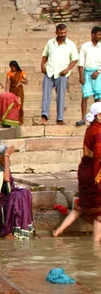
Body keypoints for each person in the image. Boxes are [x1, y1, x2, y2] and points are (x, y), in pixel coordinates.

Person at [53, 102, 101, 240]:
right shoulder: (98, 131)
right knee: (99, 213)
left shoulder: (91, 128)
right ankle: (96, 247)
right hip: (94, 173)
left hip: (84, 171)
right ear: (99, 115)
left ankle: (58, 231)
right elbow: (99, 154)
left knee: (81, 206)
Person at [0, 143, 34, 239]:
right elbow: (6, 178)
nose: (8, 159)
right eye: (5, 157)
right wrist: (6, 157)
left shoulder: (1, 163)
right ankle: (8, 230)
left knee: (25, 192)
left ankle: (19, 228)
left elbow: (9, 186)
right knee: (17, 197)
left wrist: (6, 158)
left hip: (6, 195)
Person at [35, 24, 79, 126]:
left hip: (62, 73)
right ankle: (44, 117)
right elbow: (45, 55)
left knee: (61, 96)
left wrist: (67, 69)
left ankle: (60, 119)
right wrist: (42, 65)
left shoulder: (71, 44)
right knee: (46, 95)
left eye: (64, 33)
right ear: (56, 32)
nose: (63, 35)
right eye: (61, 33)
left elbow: (75, 59)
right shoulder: (50, 43)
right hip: (49, 72)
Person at [75, 26, 101, 127]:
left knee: (98, 97)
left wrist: (98, 72)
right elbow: (81, 63)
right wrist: (81, 76)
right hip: (87, 72)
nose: (100, 36)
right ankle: (83, 118)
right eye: (99, 34)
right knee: (85, 96)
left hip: (98, 73)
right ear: (93, 34)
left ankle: (97, 118)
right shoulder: (85, 46)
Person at [5, 60, 28, 125]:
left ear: (16, 66)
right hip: (12, 90)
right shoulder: (9, 73)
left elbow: (26, 81)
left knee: (20, 104)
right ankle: (13, 120)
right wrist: (6, 92)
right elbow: (7, 83)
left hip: (19, 90)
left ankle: (20, 120)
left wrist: (21, 81)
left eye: (14, 67)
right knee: (12, 105)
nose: (12, 68)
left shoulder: (21, 72)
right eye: (11, 67)